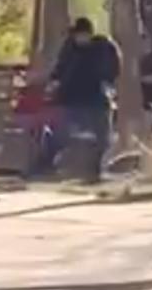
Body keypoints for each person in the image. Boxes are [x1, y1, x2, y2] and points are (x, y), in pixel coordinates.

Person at [42, 17, 112, 180]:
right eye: (77, 36)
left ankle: (96, 169)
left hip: (95, 98)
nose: (80, 39)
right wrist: (54, 82)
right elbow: (61, 68)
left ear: (89, 34)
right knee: (62, 134)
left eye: (82, 35)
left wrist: (108, 82)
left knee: (101, 137)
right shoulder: (69, 49)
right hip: (70, 98)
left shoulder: (101, 48)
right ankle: (54, 166)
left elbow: (110, 69)